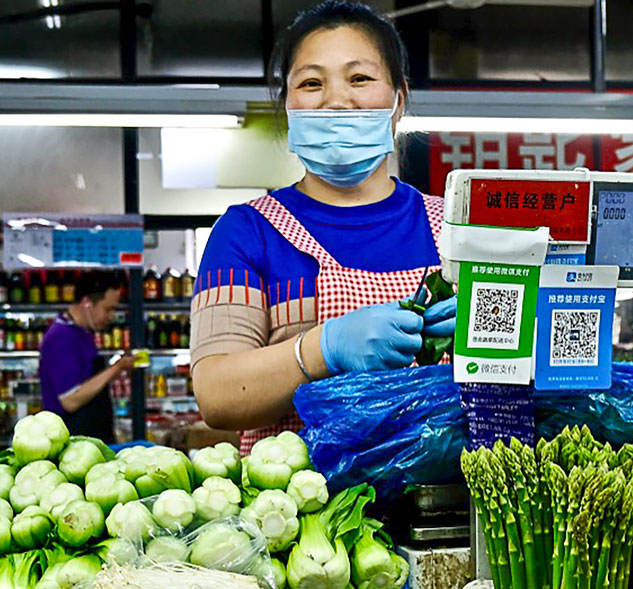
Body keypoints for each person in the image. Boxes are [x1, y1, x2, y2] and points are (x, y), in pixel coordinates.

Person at [189, 0, 456, 453]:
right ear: (289, 105)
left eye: (360, 79)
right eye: (312, 83)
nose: (336, 100)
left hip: (440, 511)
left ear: (398, 100)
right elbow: (216, 396)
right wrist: (321, 350)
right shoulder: (248, 232)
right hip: (298, 512)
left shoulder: (455, 228)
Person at [38, 270, 134, 442]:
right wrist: (117, 368)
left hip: (93, 437)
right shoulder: (60, 337)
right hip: (74, 442)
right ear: (87, 303)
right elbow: (70, 400)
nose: (111, 317)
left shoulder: (83, 332)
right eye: (108, 309)